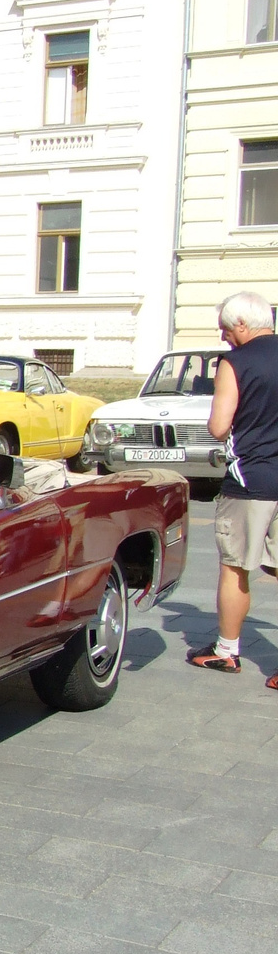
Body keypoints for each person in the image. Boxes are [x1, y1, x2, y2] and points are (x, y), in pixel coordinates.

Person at [189, 291, 278, 679]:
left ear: (242, 324)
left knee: (235, 566)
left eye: (225, 328)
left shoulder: (236, 363)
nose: (223, 335)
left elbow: (219, 426)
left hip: (252, 479)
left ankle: (226, 651)